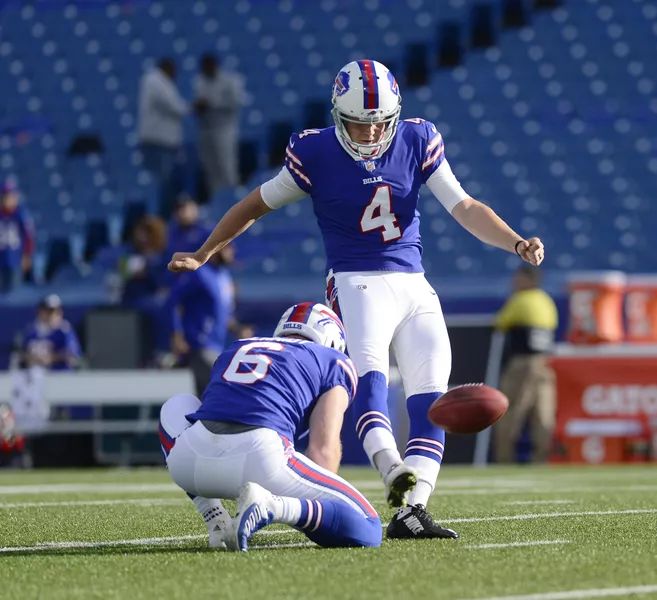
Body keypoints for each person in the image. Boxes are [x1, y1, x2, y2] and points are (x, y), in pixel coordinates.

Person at [167, 59, 545, 540]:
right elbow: (254, 204)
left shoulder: (416, 137)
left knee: (432, 393)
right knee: (368, 381)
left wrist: (515, 241)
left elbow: (465, 205)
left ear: (396, 115)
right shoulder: (315, 151)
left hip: (413, 281)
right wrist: (205, 252)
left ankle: (414, 508)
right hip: (355, 281)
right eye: (357, 125)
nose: (369, 136)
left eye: (378, 125)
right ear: (336, 115)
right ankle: (392, 474)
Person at [158, 302, 382, 552]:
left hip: (189, 464)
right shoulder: (333, 360)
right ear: (332, 340)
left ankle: (214, 517)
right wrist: (311, 512)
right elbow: (322, 450)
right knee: (370, 526)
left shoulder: (238, 347)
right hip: (260, 457)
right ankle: (271, 506)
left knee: (176, 405)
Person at [491, 265, 558, 464]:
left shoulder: (520, 300)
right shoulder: (547, 301)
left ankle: (504, 459)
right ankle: (542, 460)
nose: (513, 282)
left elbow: (501, 323)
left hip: (522, 363)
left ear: (527, 280)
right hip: (545, 364)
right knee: (543, 414)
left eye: (517, 278)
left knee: (510, 412)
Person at [167, 244, 236, 395]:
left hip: (218, 345)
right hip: (200, 343)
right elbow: (174, 302)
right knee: (216, 391)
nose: (232, 252)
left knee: (207, 394)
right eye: (228, 247)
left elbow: (224, 313)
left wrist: (238, 329)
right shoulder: (199, 273)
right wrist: (177, 335)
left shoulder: (224, 277)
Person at [138, 58, 189, 218]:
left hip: (161, 143)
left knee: (164, 183)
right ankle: (160, 219)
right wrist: (192, 107)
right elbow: (175, 107)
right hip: (158, 143)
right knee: (162, 184)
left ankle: (162, 218)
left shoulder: (156, 81)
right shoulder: (155, 80)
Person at [193, 53, 245, 196]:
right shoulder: (200, 81)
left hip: (225, 129)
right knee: (210, 169)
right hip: (206, 129)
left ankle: (233, 200)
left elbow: (238, 102)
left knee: (227, 166)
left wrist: (213, 104)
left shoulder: (230, 81)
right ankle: (216, 200)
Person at [0, 177, 35, 294]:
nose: (8, 199)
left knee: (14, 291)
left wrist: (27, 255)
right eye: (5, 196)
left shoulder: (20, 215)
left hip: (15, 259)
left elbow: (29, 237)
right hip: (1, 258)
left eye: (10, 196)